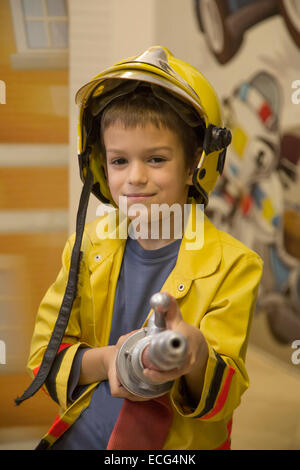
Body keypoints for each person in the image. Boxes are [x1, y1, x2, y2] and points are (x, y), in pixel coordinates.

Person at [15, 46, 263, 450]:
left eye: (156, 159)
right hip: (83, 439)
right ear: (98, 164)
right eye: (119, 161)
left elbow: (223, 398)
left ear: (195, 163)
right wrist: (111, 359)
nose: (135, 178)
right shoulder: (85, 245)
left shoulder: (235, 265)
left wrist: (196, 356)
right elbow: (44, 356)